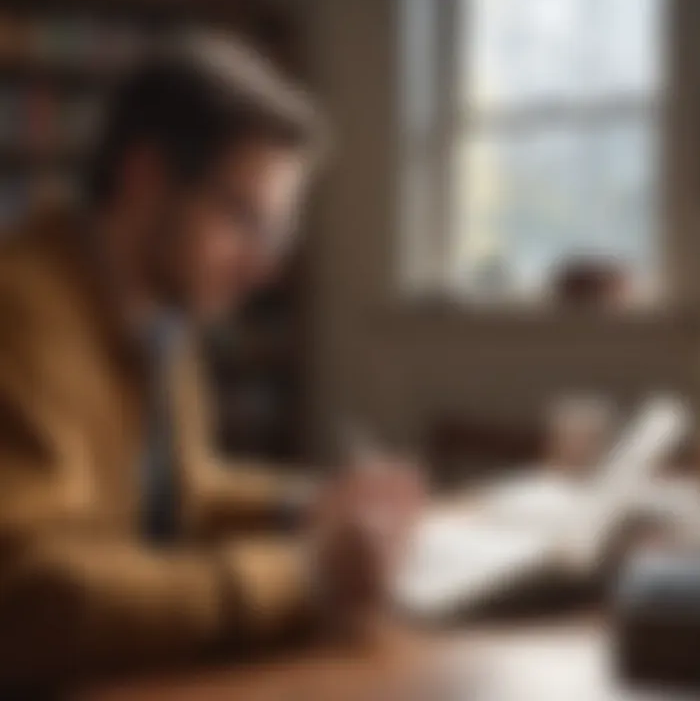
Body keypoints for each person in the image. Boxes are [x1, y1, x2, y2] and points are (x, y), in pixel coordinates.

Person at [0, 35, 422, 689]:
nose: (267, 266)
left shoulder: (159, 310)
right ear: (144, 179)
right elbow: (28, 600)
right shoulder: (18, 313)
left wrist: (310, 505)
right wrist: (306, 574)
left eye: (277, 231)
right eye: (244, 219)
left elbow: (182, 495)